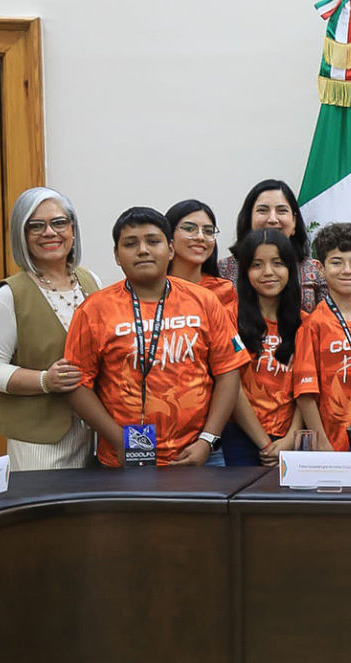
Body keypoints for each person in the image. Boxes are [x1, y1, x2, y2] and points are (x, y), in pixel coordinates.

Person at [64, 207, 248, 468]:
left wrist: (208, 440)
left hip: (200, 453)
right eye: (130, 244)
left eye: (153, 241)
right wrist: (119, 441)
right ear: (117, 255)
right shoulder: (93, 310)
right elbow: (77, 384)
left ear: (170, 250)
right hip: (123, 455)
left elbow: (228, 372)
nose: (143, 250)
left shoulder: (205, 301)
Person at [0, 187, 101, 470]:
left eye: (59, 222)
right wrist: (44, 380)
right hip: (38, 440)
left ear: (72, 228)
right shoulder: (10, 295)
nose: (50, 232)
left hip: (90, 434)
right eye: (36, 226)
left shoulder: (90, 281)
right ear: (22, 234)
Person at [293, 222, 351, 452]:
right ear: (321, 269)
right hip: (332, 443)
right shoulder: (313, 325)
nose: (347, 270)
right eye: (336, 262)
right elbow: (305, 393)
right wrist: (322, 442)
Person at [222, 229, 305, 467]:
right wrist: (264, 443)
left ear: (290, 269)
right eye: (257, 265)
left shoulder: (306, 323)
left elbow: (307, 387)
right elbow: (231, 387)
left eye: (277, 263)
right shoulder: (228, 318)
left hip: (291, 437)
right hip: (240, 436)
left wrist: (291, 438)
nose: (268, 272)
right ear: (245, 271)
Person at [218, 179, 326, 313]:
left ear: (294, 221)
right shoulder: (223, 270)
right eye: (263, 211)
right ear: (249, 219)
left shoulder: (316, 270)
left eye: (281, 211)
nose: (272, 219)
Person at [164, 199, 236, 320]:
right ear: (169, 234)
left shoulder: (223, 290)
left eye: (208, 231)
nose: (200, 237)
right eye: (189, 229)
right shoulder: (153, 288)